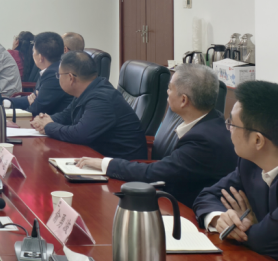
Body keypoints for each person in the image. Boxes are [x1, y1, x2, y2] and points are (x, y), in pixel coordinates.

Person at [75, 64, 238, 208]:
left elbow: (154, 173)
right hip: (170, 193)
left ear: (183, 100)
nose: (167, 92)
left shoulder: (204, 141)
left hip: (186, 210)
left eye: (170, 88)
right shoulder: (213, 119)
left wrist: (105, 164)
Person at [193, 80, 278, 259]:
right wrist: (221, 218)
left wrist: (245, 226)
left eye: (233, 124)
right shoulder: (249, 164)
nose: (228, 129)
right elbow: (207, 196)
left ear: (257, 140)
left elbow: (264, 241)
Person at [31, 51, 146, 160]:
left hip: (119, 165)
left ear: (71, 78)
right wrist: (44, 120)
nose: (58, 78)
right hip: (97, 156)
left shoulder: (101, 99)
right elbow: (66, 115)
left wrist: (48, 126)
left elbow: (79, 134)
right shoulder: (88, 90)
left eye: (59, 75)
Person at [10, 32, 73, 116]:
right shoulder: (52, 69)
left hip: (54, 121)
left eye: (33, 52)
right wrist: (4, 101)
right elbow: (31, 99)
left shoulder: (54, 75)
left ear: (40, 57)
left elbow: (35, 110)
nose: (32, 55)